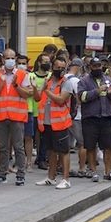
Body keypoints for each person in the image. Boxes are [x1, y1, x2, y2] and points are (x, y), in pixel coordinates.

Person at [0, 48, 32, 186]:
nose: (10, 61)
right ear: (3, 60)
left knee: (18, 146)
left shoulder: (22, 74)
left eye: (12, 58)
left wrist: (15, 85)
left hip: (17, 116)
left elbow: (26, 94)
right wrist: (1, 84)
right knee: (2, 147)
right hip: (1, 115)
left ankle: (21, 174)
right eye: (7, 58)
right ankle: (2, 173)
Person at [34, 57, 74, 189]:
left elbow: (61, 100)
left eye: (63, 68)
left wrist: (46, 90)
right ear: (52, 68)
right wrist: (36, 88)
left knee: (63, 151)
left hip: (60, 123)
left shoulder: (66, 83)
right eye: (58, 68)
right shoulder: (48, 81)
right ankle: (51, 177)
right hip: (46, 122)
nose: (61, 71)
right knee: (50, 150)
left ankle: (66, 179)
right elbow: (38, 98)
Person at [78, 57, 111, 182]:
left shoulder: (108, 80)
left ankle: (107, 172)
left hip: (106, 117)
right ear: (90, 67)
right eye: (95, 66)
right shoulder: (84, 81)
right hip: (90, 118)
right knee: (90, 146)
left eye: (99, 66)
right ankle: (94, 171)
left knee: (109, 146)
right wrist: (96, 91)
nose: (97, 68)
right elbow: (82, 97)